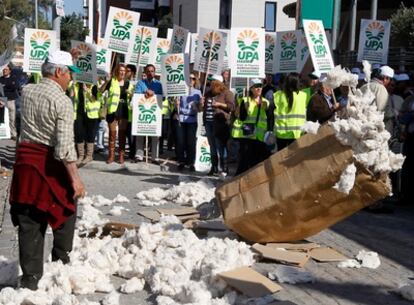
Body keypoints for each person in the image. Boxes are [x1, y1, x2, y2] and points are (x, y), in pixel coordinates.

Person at [9, 50, 85, 290]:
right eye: (69, 74)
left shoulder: (27, 90)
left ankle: (31, 277)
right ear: (59, 72)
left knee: (29, 219)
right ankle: (60, 263)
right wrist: (75, 180)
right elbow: (64, 148)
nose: (71, 78)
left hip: (25, 164)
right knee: (66, 209)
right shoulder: (62, 100)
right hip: (49, 164)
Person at [233, 79, 271, 175]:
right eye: (256, 86)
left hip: (259, 136)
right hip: (247, 135)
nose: (259, 88)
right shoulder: (245, 100)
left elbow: (270, 117)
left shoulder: (266, 102)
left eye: (260, 86)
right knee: (244, 161)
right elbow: (241, 117)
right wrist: (244, 108)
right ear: (251, 89)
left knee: (256, 162)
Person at [100, 63, 134, 164]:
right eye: (121, 70)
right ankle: (111, 156)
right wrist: (106, 82)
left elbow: (134, 97)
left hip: (124, 110)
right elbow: (101, 91)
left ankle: (121, 156)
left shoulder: (128, 84)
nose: (123, 72)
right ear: (117, 71)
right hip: (112, 110)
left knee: (122, 135)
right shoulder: (111, 81)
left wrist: (131, 94)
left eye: (124, 71)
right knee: (112, 134)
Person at [202, 74, 234, 176]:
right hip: (208, 122)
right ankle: (214, 166)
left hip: (220, 123)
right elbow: (201, 108)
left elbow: (231, 107)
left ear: (218, 83)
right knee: (212, 146)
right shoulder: (208, 93)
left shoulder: (226, 93)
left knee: (221, 146)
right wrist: (200, 104)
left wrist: (219, 105)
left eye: (212, 81)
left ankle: (224, 167)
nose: (210, 83)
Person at [134, 64, 163, 163]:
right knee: (140, 133)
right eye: (148, 71)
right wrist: (145, 91)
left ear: (155, 72)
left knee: (155, 135)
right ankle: (139, 156)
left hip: (154, 112)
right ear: (145, 72)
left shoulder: (159, 84)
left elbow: (162, 97)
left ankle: (155, 157)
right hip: (142, 110)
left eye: (152, 71)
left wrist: (153, 93)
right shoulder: (140, 83)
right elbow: (137, 95)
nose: (150, 73)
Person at [272, 72, 307, 150]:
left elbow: (270, 111)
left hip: (281, 134)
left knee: (280, 158)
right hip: (297, 133)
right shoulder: (303, 96)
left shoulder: (278, 95)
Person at [175, 74, 202, 171]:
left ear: (195, 81)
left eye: (193, 79)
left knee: (191, 142)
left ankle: (191, 162)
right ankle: (181, 161)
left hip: (192, 119)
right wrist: (176, 104)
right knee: (180, 142)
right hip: (181, 119)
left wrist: (200, 104)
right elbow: (176, 107)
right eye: (189, 78)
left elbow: (200, 109)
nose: (191, 80)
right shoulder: (181, 91)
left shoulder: (198, 92)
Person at [71, 82, 101, 166]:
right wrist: (73, 86)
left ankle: (89, 155)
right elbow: (71, 96)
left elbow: (94, 99)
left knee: (90, 135)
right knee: (79, 133)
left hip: (91, 114)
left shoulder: (94, 85)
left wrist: (87, 91)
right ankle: (80, 155)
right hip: (79, 113)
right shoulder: (76, 84)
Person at [0, 64, 19, 139]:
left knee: (12, 118)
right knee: (2, 118)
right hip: (2, 101)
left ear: (10, 71)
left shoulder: (13, 78)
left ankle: (13, 134)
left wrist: (5, 87)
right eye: (4, 70)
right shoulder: (0, 79)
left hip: (11, 101)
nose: (4, 71)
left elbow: (15, 87)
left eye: (6, 69)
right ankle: (3, 134)